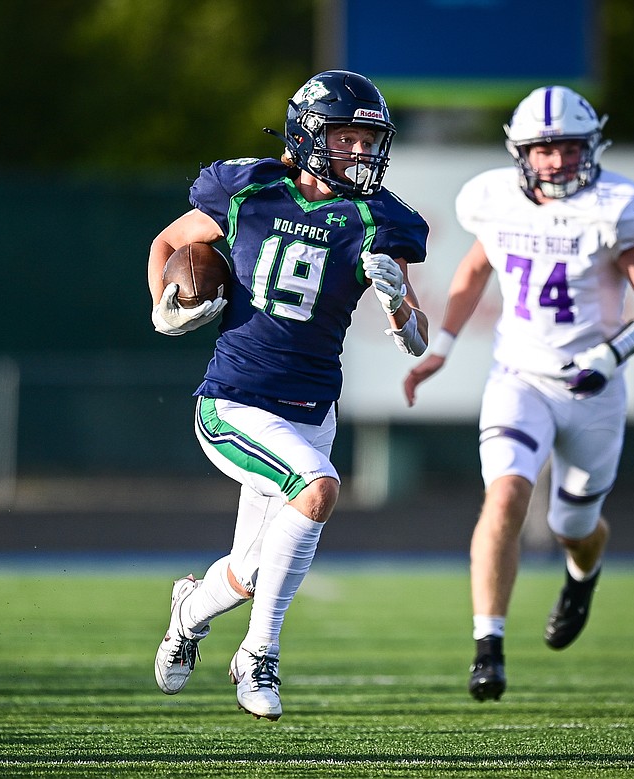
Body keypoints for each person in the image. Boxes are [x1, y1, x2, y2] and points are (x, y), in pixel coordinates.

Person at [148, 70, 430, 720]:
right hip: (233, 402)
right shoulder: (249, 189)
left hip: (311, 411)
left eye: (370, 140)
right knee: (319, 487)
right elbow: (169, 243)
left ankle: (187, 613)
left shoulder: (377, 218)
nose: (361, 153)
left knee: (250, 573)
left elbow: (417, 340)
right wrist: (160, 307)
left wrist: (396, 306)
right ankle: (258, 655)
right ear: (307, 134)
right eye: (345, 137)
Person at [403, 85, 634, 701]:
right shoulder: (495, 200)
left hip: (592, 390)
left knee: (573, 525)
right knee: (504, 499)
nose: (556, 160)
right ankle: (488, 647)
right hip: (519, 378)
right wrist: (440, 349)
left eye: (569, 147)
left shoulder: (614, 209)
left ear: (591, 148)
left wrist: (611, 353)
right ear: (521, 152)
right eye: (544, 148)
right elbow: (474, 271)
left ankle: (583, 575)